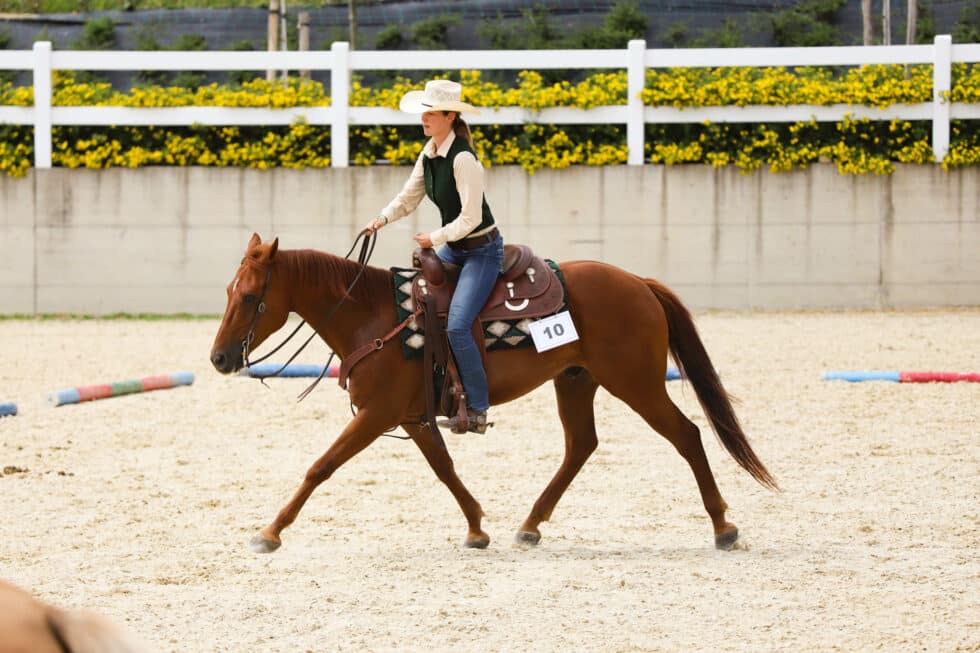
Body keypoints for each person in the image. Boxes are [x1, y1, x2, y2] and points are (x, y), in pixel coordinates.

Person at [366, 79, 503, 435]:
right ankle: (439, 383)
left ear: (449, 116)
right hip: (455, 248)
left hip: (481, 251)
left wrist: (434, 237)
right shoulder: (429, 153)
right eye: (423, 112)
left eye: (430, 113)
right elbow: (408, 197)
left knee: (457, 324)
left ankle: (477, 408)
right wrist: (381, 219)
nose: (424, 118)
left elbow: (471, 218)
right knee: (417, 301)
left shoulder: (463, 160)